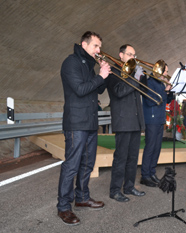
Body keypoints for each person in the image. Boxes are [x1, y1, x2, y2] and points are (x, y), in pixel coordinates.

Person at [58, 31, 110, 226]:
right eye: (96, 46)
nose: (99, 50)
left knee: (88, 163)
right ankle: (63, 207)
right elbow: (80, 90)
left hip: (89, 122)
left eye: (99, 47)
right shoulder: (70, 62)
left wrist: (104, 75)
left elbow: (97, 89)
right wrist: (100, 76)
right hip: (76, 123)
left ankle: (82, 197)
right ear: (84, 44)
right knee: (71, 166)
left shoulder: (89, 66)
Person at [106, 44, 146, 203]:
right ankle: (115, 190)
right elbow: (119, 92)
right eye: (130, 54)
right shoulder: (113, 72)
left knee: (133, 157)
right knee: (121, 158)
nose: (133, 57)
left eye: (134, 55)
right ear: (121, 55)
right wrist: (135, 79)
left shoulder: (132, 73)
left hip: (135, 121)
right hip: (123, 121)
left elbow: (142, 93)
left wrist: (143, 78)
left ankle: (129, 187)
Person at [141, 65, 173, 187]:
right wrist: (165, 91)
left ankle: (152, 172)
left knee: (157, 147)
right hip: (151, 118)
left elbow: (166, 100)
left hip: (159, 118)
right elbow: (151, 100)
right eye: (165, 71)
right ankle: (145, 175)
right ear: (158, 70)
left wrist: (168, 90)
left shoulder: (160, 83)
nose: (166, 73)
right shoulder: (149, 82)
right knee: (150, 147)